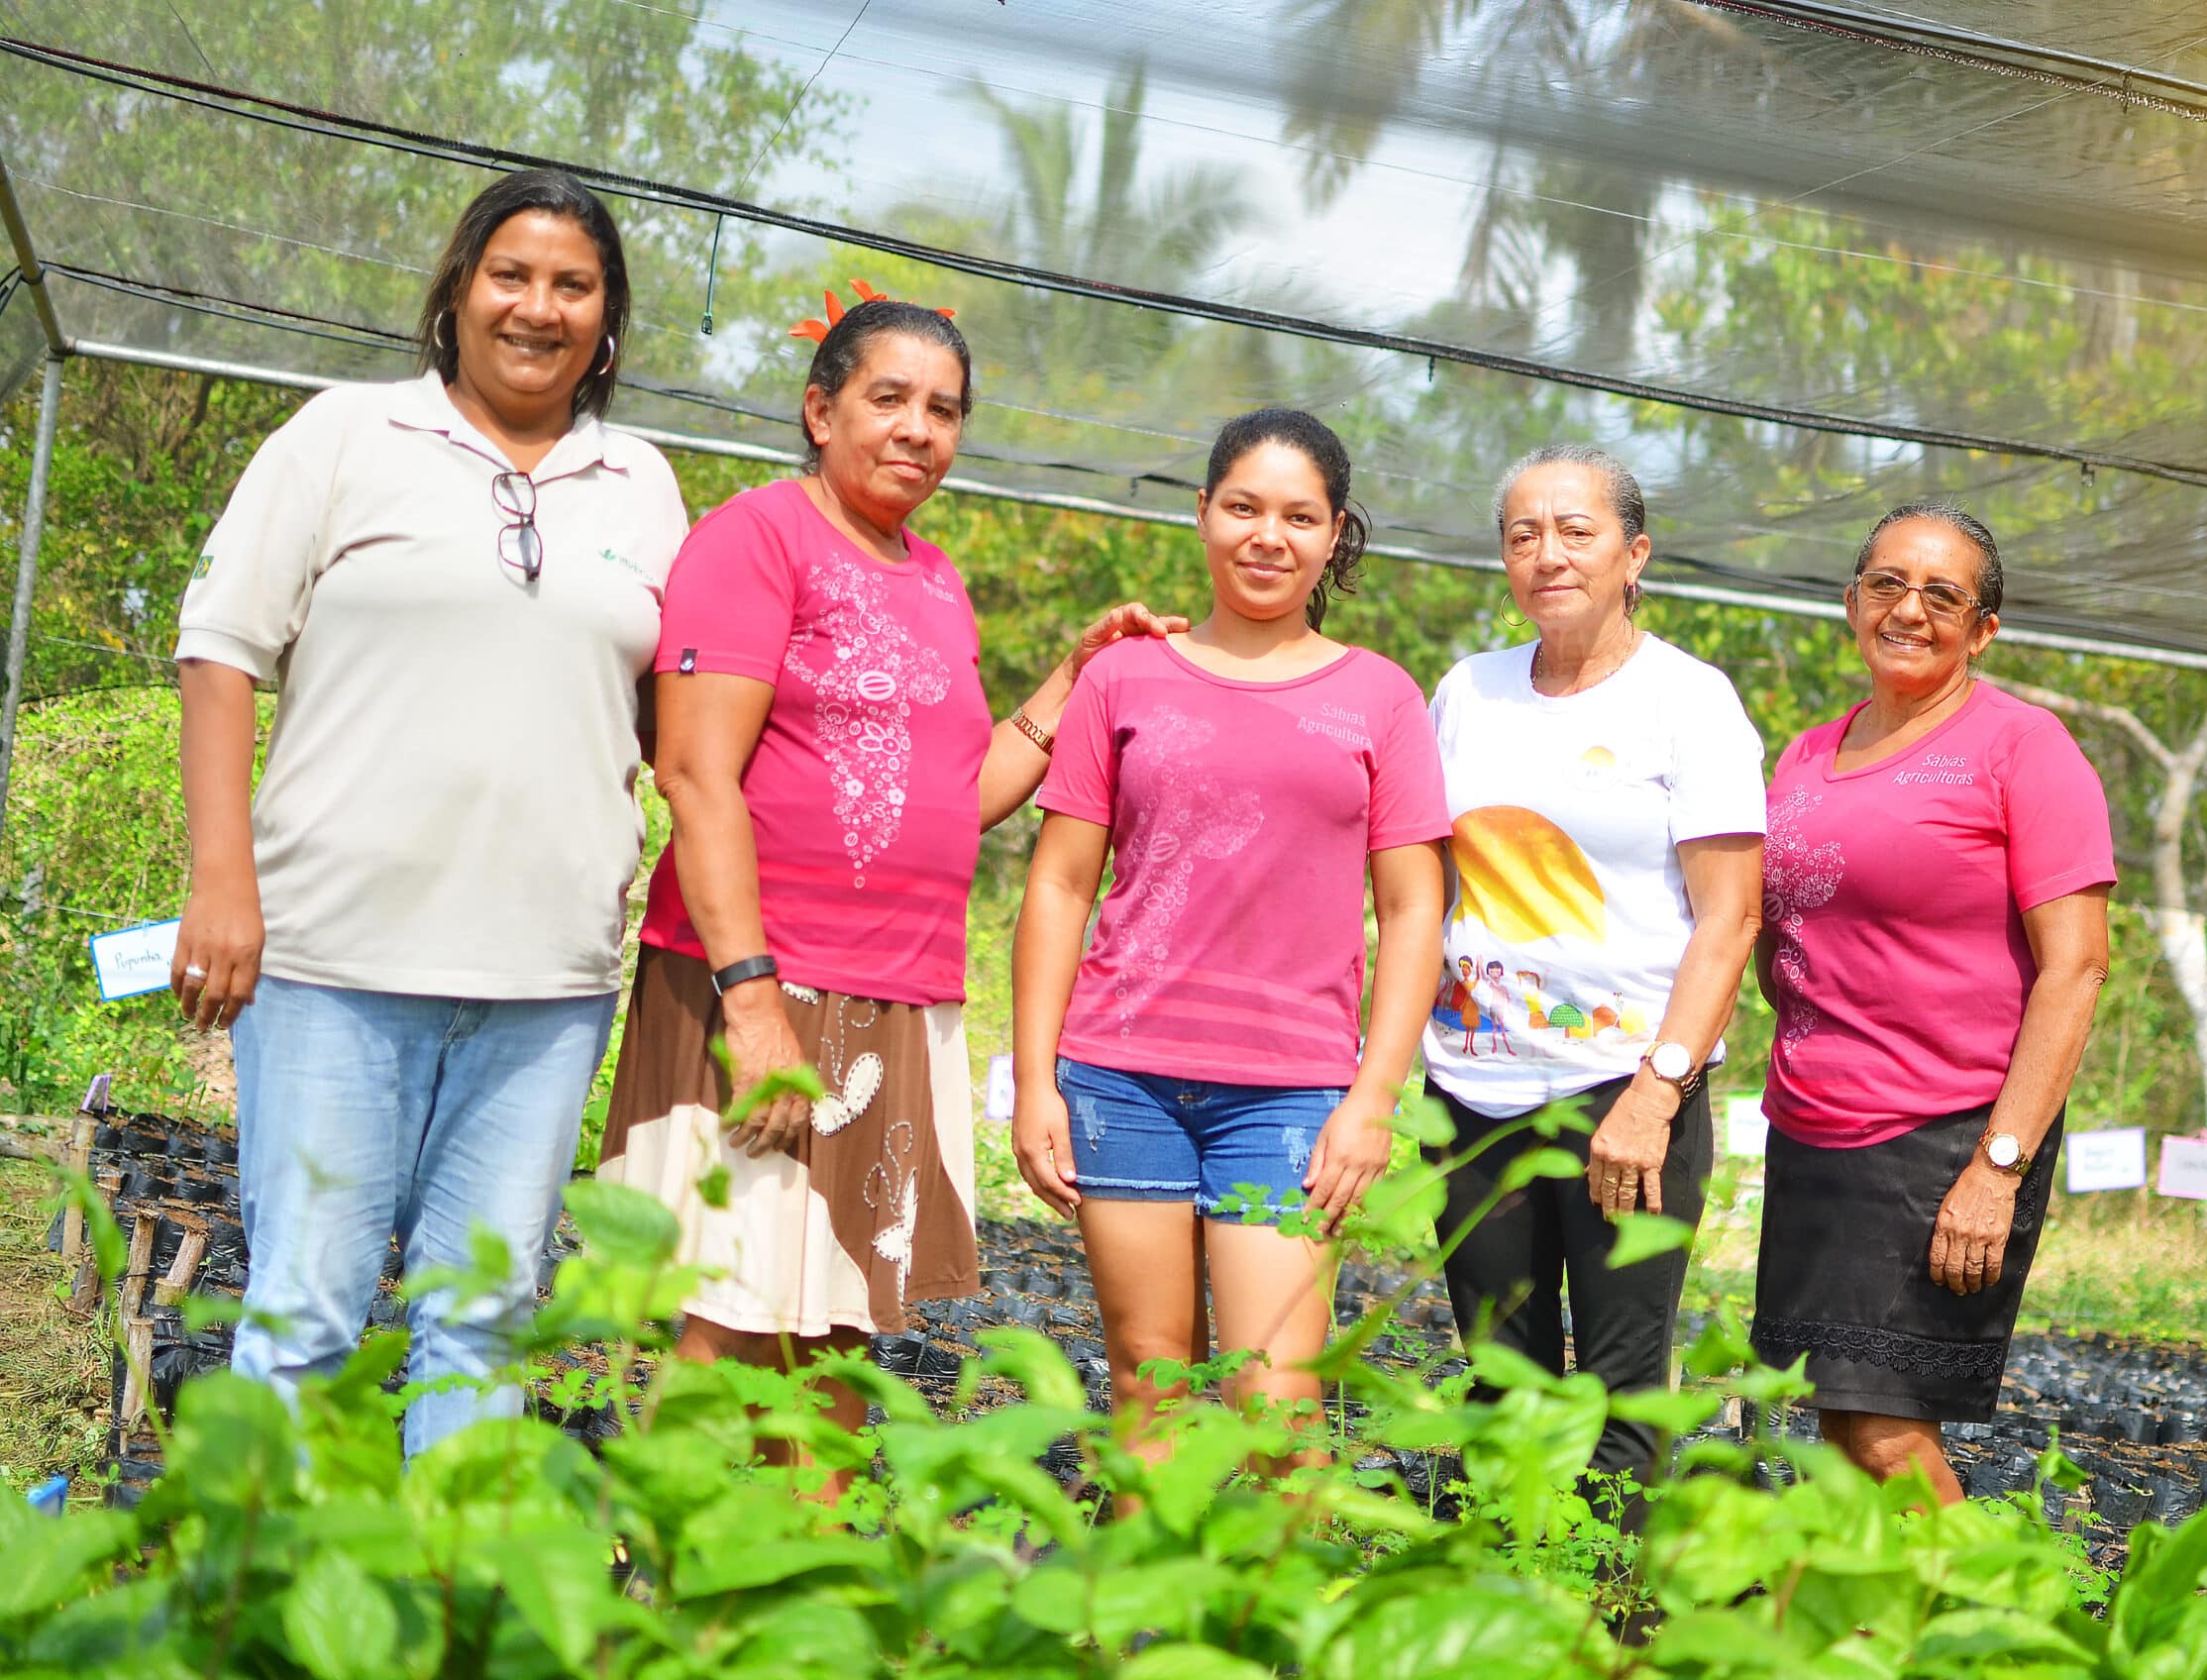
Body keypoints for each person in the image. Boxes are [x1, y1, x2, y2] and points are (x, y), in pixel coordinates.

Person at [595, 292, 1178, 1488]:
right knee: (725, 1313)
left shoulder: (935, 580)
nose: (919, 428)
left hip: (899, 999)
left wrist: (1073, 678)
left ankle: (805, 1607)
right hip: (760, 986)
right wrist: (750, 1001)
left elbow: (953, 796)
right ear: (820, 409)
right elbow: (698, 775)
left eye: (945, 410)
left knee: (842, 1332)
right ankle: (650, 1598)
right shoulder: (755, 538)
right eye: (889, 398)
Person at [169, 168, 686, 1456]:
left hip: (548, 980)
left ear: (607, 322)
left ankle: (449, 1634)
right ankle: (271, 1627)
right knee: (306, 1312)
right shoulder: (346, 437)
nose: (537, 307)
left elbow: (676, 722)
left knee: (485, 1322)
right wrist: (221, 881)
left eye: (573, 285)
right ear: (457, 290)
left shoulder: (642, 483)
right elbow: (221, 650)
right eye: (510, 274)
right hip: (336, 957)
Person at [1008, 408, 1448, 1460]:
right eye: (1243, 507)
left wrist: (1371, 1099)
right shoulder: (1123, 677)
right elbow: (1062, 884)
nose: (1268, 535)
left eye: (1299, 516)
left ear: (1334, 535)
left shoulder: (1379, 697)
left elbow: (1413, 907)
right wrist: (1032, 1083)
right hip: (1120, 1078)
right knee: (1146, 1387)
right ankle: (1126, 1628)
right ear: (1202, 514)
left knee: (1278, 1409)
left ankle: (1260, 1629)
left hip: (1292, 1096)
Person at [1422, 444, 1765, 1516]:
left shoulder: (1689, 702)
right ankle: (1492, 1611)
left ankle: (1610, 1620)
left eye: (1576, 530)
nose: (1547, 553)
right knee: (1499, 1379)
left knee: (1623, 1390)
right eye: (1522, 534)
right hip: (1474, 1092)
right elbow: (1427, 889)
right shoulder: (1467, 692)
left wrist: (1657, 1091)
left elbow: (1731, 914)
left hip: (1624, 1092)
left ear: (1634, 554)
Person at [1751, 501, 2114, 1505]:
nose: (1908, 609)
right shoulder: (1803, 756)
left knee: (1882, 1433)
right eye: (1886, 584)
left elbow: (2076, 965)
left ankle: (1999, 1643)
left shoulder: (2020, 749)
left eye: (1941, 593)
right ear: (1850, 599)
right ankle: (1852, 1648)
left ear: (1982, 628)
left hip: (1942, 1136)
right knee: (1832, 1426)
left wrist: (1997, 1166)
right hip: (1814, 1133)